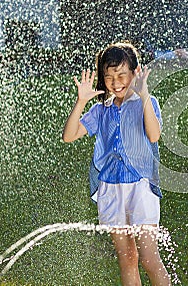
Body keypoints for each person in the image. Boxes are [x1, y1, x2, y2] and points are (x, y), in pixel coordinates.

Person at [62, 41, 171, 286]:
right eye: (109, 76)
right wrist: (81, 102)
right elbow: (68, 136)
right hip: (110, 189)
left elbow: (154, 135)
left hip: (141, 187)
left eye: (122, 74)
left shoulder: (146, 102)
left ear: (135, 72)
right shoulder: (101, 110)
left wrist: (143, 95)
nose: (116, 81)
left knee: (149, 258)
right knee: (128, 259)